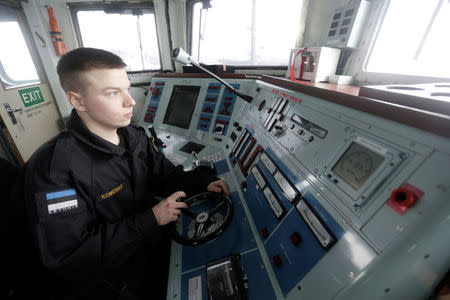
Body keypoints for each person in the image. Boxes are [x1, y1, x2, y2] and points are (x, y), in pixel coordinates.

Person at [18, 47, 230, 299]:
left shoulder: (132, 135)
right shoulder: (53, 171)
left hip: (151, 244)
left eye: (127, 89)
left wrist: (203, 183)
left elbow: (166, 176)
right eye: (113, 93)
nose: (130, 101)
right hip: (115, 281)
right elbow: (69, 255)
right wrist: (150, 219)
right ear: (77, 101)